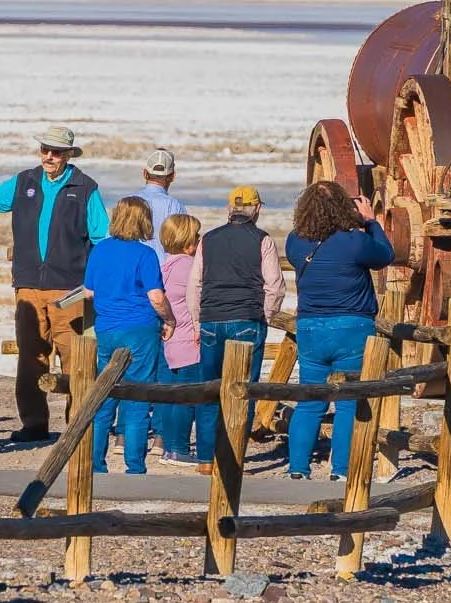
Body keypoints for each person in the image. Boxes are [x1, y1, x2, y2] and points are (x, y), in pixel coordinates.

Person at [0, 125, 109, 443]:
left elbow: (101, 237)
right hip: (28, 287)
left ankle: (79, 426)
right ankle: (34, 424)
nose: (49, 156)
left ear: (68, 155)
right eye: (45, 149)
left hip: (70, 291)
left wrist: (96, 281)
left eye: (56, 151)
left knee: (76, 357)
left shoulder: (86, 188)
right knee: (31, 357)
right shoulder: (25, 182)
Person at [282, 181, 394, 480]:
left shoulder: (295, 241)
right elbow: (385, 255)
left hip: (310, 327)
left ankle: (297, 469)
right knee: (347, 402)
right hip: (352, 325)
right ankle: (341, 470)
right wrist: (370, 222)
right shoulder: (354, 242)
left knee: (309, 400)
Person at [187, 186, 285, 472]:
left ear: (229, 209)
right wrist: (263, 316)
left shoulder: (209, 239)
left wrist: (197, 321)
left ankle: (206, 458)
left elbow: (195, 285)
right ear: (257, 210)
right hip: (246, 319)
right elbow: (275, 286)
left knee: (210, 391)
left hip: (211, 319)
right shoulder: (262, 240)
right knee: (243, 391)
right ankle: (233, 458)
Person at [80, 196, 173, 475]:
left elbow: (89, 291)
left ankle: (96, 464)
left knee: (104, 395)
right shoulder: (145, 254)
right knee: (137, 398)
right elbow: (156, 296)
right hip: (140, 328)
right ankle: (134, 466)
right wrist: (170, 319)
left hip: (107, 327)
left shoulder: (100, 250)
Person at [153, 213, 204, 462]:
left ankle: (169, 446)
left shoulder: (165, 265)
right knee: (187, 398)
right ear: (188, 242)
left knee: (172, 397)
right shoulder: (188, 267)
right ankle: (179, 449)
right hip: (188, 340)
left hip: (170, 341)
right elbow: (198, 301)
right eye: (196, 235)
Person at [131, 148, 187, 263]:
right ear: (172, 176)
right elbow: (183, 244)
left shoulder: (127, 202)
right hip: (163, 272)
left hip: (131, 270)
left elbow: (110, 238)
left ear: (145, 173)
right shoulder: (175, 205)